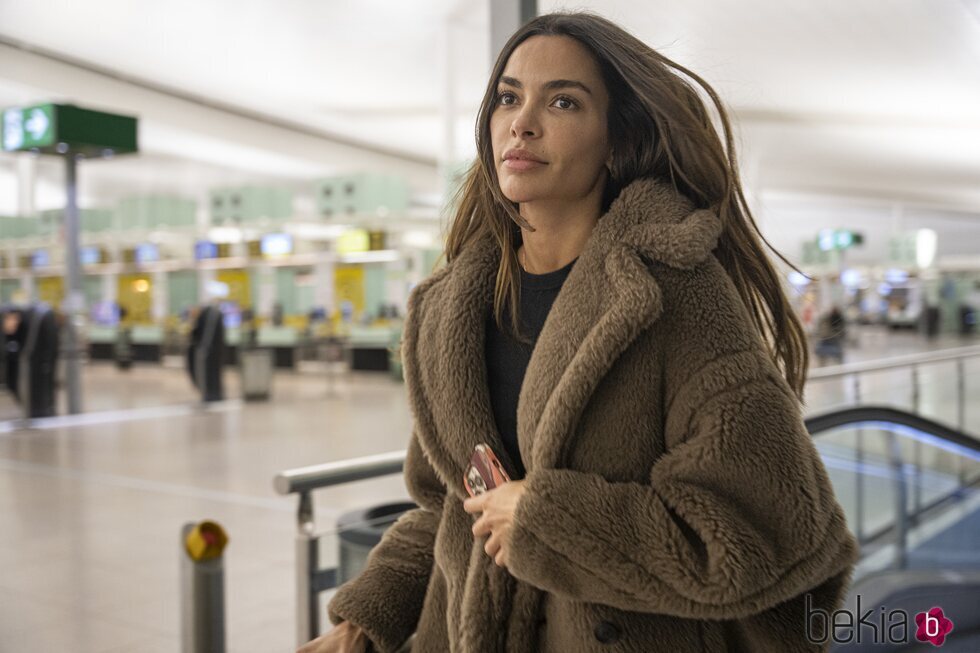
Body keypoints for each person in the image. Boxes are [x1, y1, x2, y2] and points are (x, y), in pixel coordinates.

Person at [300, 11, 858, 653]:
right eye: (508, 97)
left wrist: (548, 521)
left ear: (615, 141)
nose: (522, 121)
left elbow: (765, 532)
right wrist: (363, 622)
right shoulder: (450, 310)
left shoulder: (672, 296)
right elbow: (450, 507)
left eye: (562, 100)